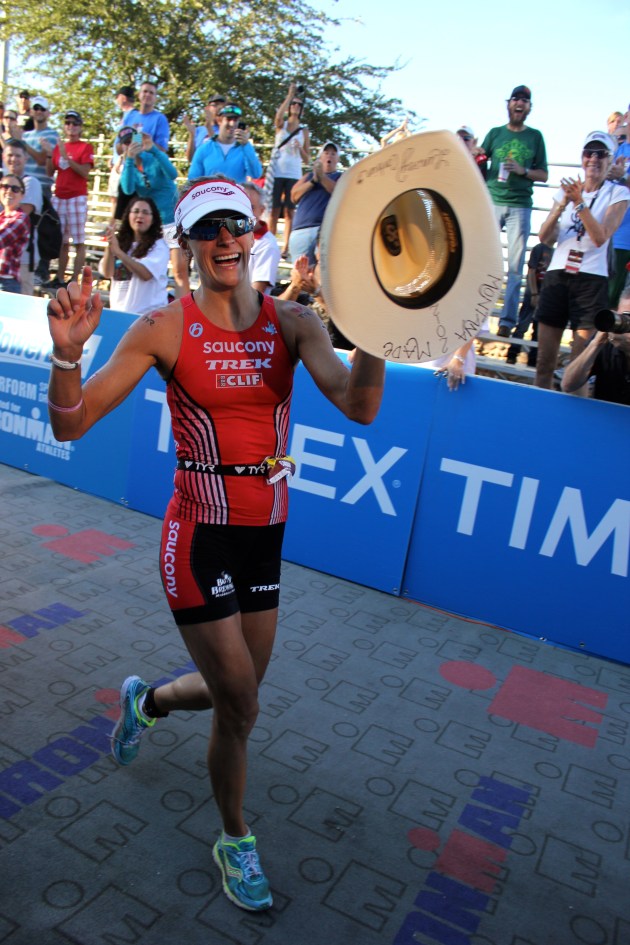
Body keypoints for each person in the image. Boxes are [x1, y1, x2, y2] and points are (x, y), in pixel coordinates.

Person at [44, 176, 384, 913]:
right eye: (209, 228)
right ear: (188, 244)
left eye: (237, 224)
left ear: (256, 233)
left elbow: (360, 405)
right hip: (196, 533)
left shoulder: (295, 322)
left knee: (240, 694)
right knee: (241, 702)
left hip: (265, 534)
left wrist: (381, 336)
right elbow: (71, 425)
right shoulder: (161, 328)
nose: (226, 238)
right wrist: (67, 356)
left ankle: (146, 701)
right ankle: (235, 837)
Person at [534, 131, 630, 390]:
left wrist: (578, 203)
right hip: (558, 273)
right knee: (544, 362)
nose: (594, 159)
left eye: (601, 154)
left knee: (579, 367)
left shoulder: (617, 193)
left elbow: (600, 237)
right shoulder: (566, 191)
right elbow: (545, 237)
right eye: (589, 153)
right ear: (582, 157)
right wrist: (561, 205)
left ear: (610, 160)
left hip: (591, 280)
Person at [478, 85, 548, 336]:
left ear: (529, 107)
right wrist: (475, 151)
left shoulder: (535, 136)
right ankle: (476, 317)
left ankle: (506, 323)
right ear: (508, 104)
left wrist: (523, 171)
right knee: (482, 261)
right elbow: (480, 158)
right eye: (516, 99)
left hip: (520, 206)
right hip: (492, 202)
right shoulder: (495, 133)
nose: (519, 104)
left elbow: (544, 174)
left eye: (524, 101)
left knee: (515, 268)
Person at [119, 131, 189, 297]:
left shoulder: (153, 157)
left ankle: (185, 309)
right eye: (126, 142)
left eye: (133, 140)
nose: (131, 145)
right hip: (151, 226)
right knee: (150, 271)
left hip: (172, 221)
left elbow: (173, 174)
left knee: (179, 272)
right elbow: (127, 189)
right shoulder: (128, 166)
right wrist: (129, 159)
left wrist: (153, 149)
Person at [45, 110, 94, 287]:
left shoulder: (85, 147)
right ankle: (59, 278)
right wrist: (49, 154)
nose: (71, 126)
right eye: (68, 123)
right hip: (59, 196)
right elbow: (50, 172)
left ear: (80, 127)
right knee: (62, 241)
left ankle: (74, 280)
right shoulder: (59, 147)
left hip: (76, 197)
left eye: (75, 123)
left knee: (78, 241)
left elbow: (85, 172)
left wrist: (67, 158)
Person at [98, 196, 169, 315]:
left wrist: (118, 252)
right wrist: (110, 247)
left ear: (153, 219)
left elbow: (146, 274)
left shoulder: (159, 245)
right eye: (136, 211)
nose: (140, 215)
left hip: (149, 316)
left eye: (145, 212)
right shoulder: (120, 243)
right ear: (128, 216)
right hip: (119, 313)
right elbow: (107, 273)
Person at [561, 290, 630, 405]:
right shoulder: (608, 340)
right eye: (624, 316)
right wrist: (596, 343)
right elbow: (568, 385)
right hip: (603, 413)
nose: (626, 323)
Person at [269, 83, 310, 258]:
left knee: (289, 211)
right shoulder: (282, 125)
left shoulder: (304, 131)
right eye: (293, 104)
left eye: (299, 104)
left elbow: (307, 159)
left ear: (302, 110)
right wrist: (289, 95)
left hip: (293, 173)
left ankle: (286, 247)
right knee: (274, 209)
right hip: (277, 171)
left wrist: (300, 148)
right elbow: (277, 118)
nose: (296, 106)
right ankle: (270, 243)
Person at [288, 141, 341, 264]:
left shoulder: (340, 176)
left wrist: (322, 177)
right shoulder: (308, 176)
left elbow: (338, 192)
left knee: (321, 271)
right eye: (326, 153)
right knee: (299, 272)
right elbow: (294, 196)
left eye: (333, 154)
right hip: (300, 231)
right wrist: (313, 181)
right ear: (320, 157)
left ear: (337, 159)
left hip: (324, 231)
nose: (329, 156)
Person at [3, 137, 42, 295]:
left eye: (18, 155)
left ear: (26, 158)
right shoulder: (3, 184)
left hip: (23, 260)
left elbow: (19, 215)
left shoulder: (31, 183)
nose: (13, 159)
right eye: (10, 155)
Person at [188, 103, 262, 183]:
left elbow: (256, 174)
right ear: (219, 120)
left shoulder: (245, 149)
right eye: (228, 119)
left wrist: (246, 145)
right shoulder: (204, 149)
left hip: (236, 191)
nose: (232, 124)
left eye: (235, 120)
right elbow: (192, 180)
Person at [505, 242, 553, 365]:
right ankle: (512, 353)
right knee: (523, 325)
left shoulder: (555, 252)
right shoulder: (539, 248)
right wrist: (534, 293)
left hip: (545, 296)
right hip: (532, 293)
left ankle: (533, 358)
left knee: (538, 330)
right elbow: (531, 271)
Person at [242, 181, 280, 294]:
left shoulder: (267, 245)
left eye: (251, 207)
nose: (245, 212)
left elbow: (256, 295)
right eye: (240, 206)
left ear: (261, 210)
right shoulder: (226, 237)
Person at [0, 173, 31, 293]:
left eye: (15, 189)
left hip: (6, 284)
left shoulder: (21, 218)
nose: (9, 191)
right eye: (4, 186)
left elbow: (1, 239)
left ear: (22, 195)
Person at [183, 93, 226, 162]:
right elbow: (190, 159)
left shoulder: (227, 131)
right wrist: (192, 135)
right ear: (207, 108)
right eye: (215, 105)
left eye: (222, 106)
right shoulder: (198, 130)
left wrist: (209, 128)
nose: (219, 109)